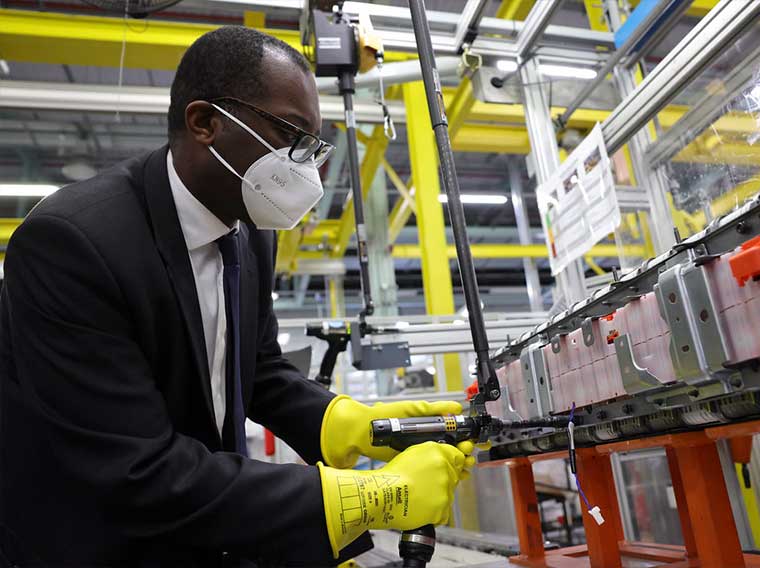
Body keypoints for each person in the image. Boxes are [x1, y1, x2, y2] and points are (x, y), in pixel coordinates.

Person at [0, 26, 473, 567]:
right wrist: (359, 499)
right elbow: (132, 470)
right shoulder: (73, 245)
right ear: (204, 122)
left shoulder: (250, 233)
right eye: (291, 134)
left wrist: (350, 423)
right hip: (96, 544)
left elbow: (259, 369)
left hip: (202, 526)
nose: (309, 168)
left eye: (314, 146)